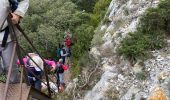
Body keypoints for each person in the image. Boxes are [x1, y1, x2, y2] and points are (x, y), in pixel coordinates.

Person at [0, 0, 29, 83]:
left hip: (7, 34)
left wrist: (18, 14)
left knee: (11, 69)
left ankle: (13, 87)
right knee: (5, 69)